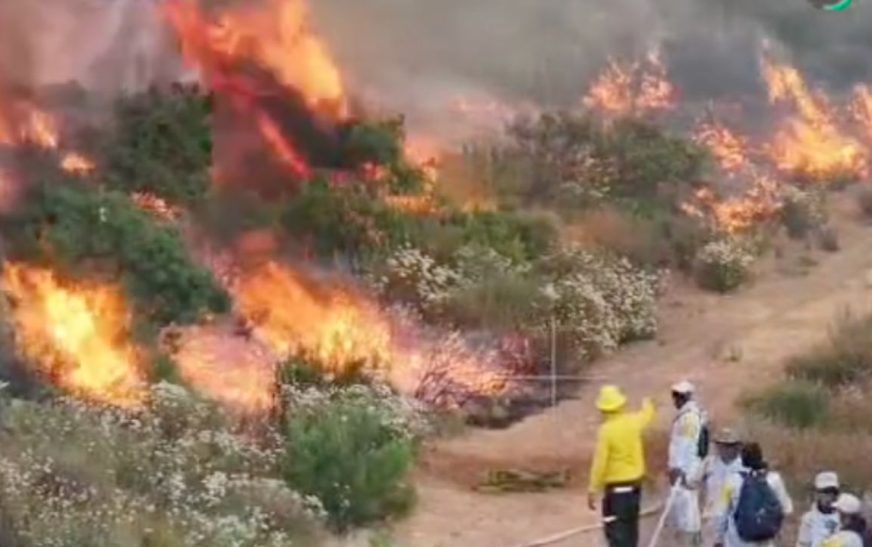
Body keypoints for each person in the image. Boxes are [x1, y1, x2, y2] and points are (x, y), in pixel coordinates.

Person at [588, 385, 655, 547]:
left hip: (616, 490)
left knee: (616, 532)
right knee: (631, 530)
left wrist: (592, 489)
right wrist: (648, 402)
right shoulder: (633, 422)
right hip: (635, 487)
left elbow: (600, 463)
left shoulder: (606, 431)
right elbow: (647, 415)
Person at [714, 442, 793, 547]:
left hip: (737, 541)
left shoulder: (732, 481)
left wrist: (718, 539)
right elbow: (787, 509)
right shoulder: (775, 479)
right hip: (765, 541)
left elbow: (721, 514)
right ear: (761, 457)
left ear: (742, 460)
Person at [668, 380, 706, 545]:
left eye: (677, 397)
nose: (674, 400)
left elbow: (687, 445)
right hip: (683, 471)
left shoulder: (689, 418)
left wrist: (679, 469)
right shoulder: (686, 415)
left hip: (685, 472)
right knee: (685, 512)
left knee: (688, 512)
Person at [690, 428, 743, 544]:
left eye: (729, 445)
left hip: (734, 521)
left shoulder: (743, 466)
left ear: (737, 447)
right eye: (722, 445)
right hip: (711, 517)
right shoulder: (709, 463)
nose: (725, 449)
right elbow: (692, 482)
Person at [797, 472, 841, 547]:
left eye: (832, 492)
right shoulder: (809, 519)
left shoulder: (843, 517)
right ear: (817, 494)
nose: (829, 496)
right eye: (825, 492)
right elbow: (803, 544)